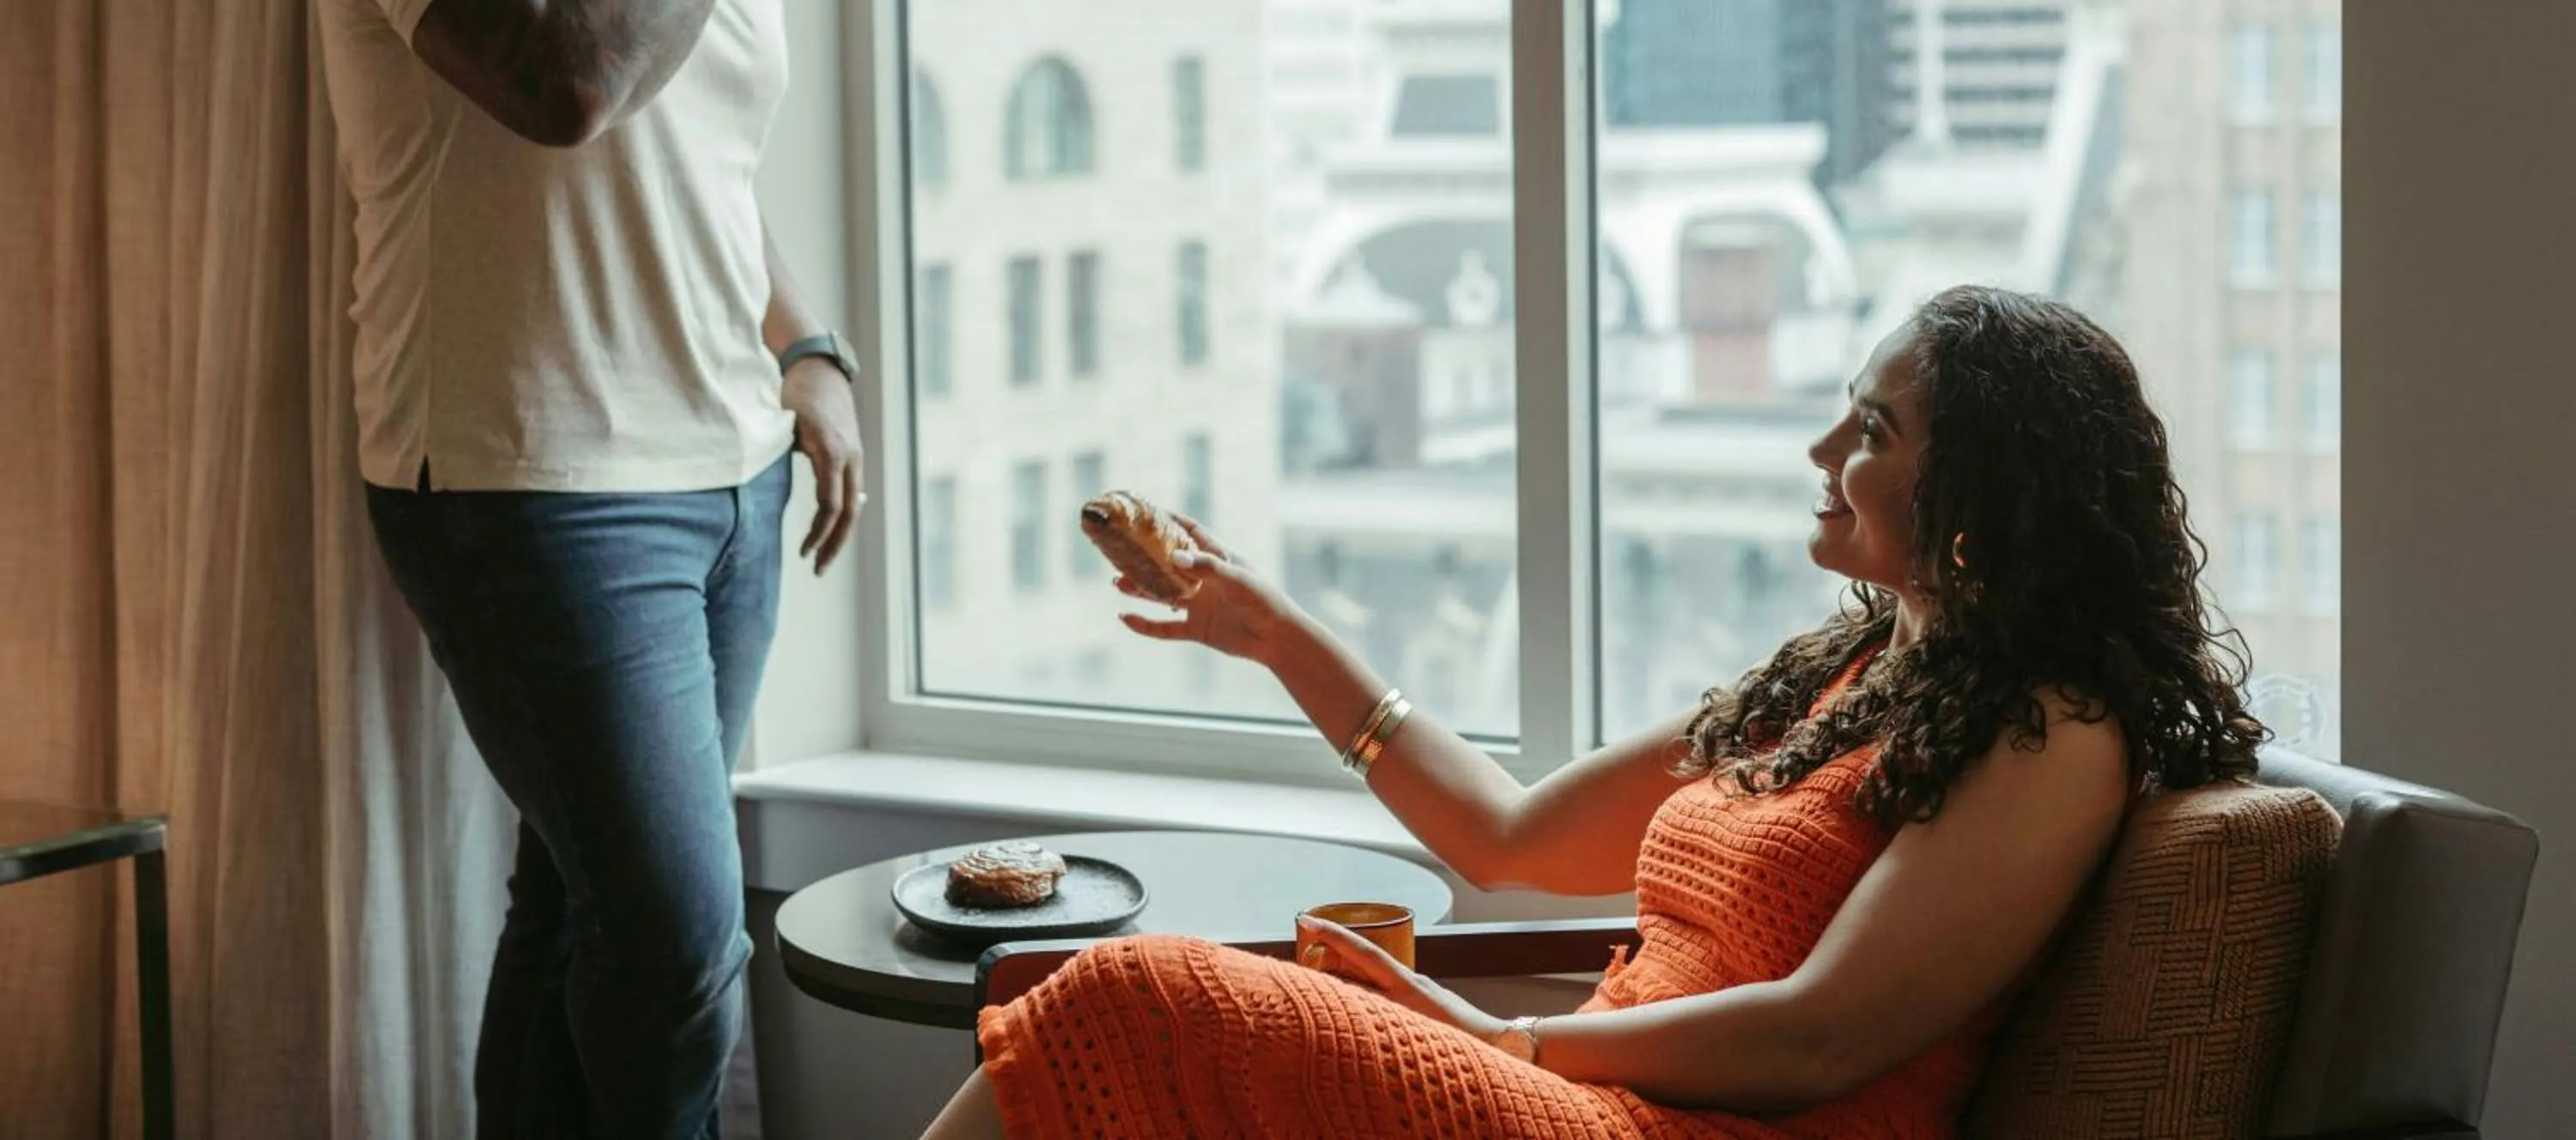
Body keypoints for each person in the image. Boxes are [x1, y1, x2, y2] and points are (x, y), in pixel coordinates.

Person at [924, 286, 2267, 1138]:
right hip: (1586, 1095)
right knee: (1146, 1016)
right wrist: (1275, 636)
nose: (1819, 454)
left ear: (1983, 497)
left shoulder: (2056, 734)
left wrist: (1503, 1037)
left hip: (1673, 1131)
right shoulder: (1840, 680)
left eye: (1870, 431)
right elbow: (1507, 836)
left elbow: (1818, 1039)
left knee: (1142, 997)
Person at [316, 0, 868, 1140]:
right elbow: (570, 78)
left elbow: (695, 165)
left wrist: (807, 348)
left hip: (729, 476)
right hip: (530, 486)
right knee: (678, 937)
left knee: (574, 911)